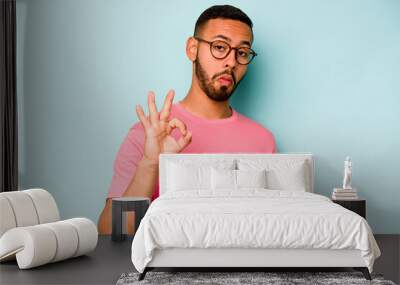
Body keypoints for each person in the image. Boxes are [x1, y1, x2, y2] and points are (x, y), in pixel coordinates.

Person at [98, 5, 277, 234]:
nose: (231, 62)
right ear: (192, 48)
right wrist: (151, 162)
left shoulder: (263, 141)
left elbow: (270, 229)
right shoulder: (147, 134)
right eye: (219, 47)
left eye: (241, 52)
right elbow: (109, 234)